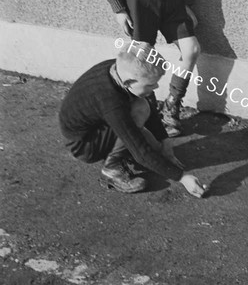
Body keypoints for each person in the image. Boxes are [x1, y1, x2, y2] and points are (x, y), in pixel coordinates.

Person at [59, 42, 206, 197]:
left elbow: (149, 104)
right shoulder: (111, 102)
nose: (155, 87)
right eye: (150, 84)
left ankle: (122, 152)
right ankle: (112, 168)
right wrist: (181, 177)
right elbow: (140, 150)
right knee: (139, 111)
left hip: (97, 125)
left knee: (143, 106)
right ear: (129, 82)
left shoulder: (118, 70)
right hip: (85, 145)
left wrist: (164, 140)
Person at [101, 0, 200, 137]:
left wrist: (188, 3)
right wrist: (118, 8)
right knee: (142, 58)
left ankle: (172, 105)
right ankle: (149, 113)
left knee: (191, 49)